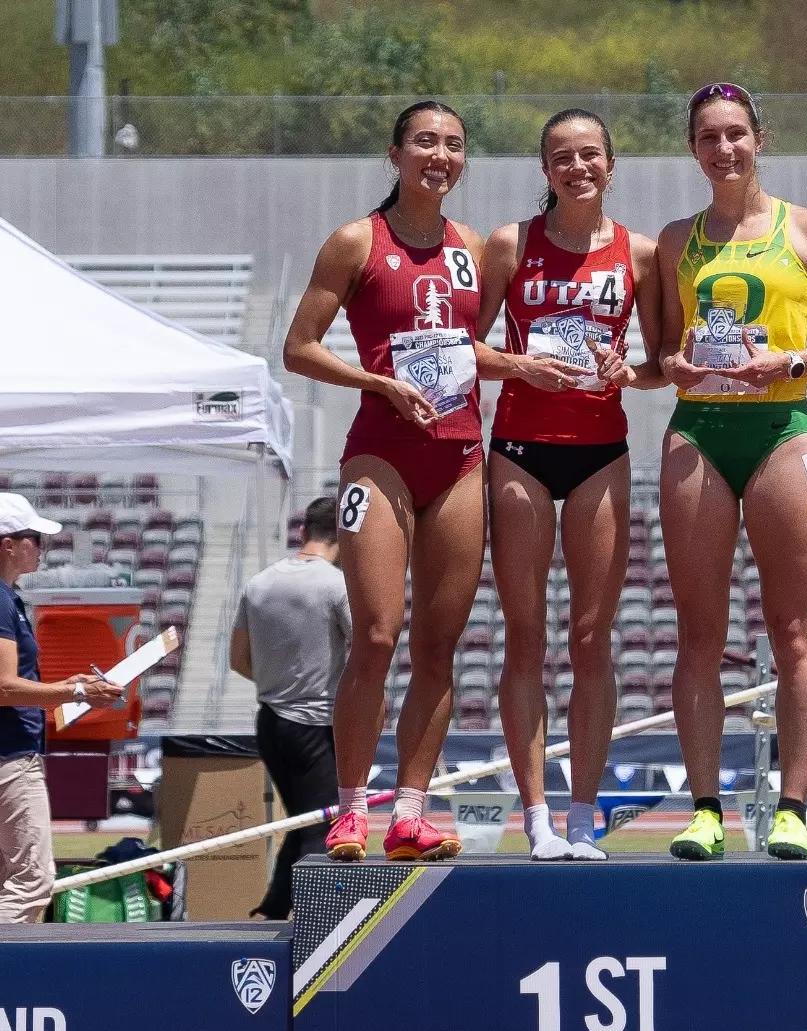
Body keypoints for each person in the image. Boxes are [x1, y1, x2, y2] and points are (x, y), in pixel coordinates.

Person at [282, 101, 509, 863]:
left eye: (452, 146)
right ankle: (351, 810)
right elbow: (300, 348)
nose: (438, 156)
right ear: (396, 153)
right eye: (424, 143)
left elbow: (475, 349)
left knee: (440, 645)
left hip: (460, 455)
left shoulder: (474, 247)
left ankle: (410, 811)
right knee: (377, 634)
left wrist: (530, 363)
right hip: (379, 451)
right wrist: (375, 382)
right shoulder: (356, 241)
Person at [656, 82, 807, 861]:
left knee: (792, 631)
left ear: (760, 138)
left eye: (736, 134)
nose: (724, 149)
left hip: (782, 426)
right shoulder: (675, 239)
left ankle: (791, 808)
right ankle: (706, 809)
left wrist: (794, 357)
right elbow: (658, 356)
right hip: (699, 432)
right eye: (709, 137)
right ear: (693, 148)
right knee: (698, 635)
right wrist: (669, 363)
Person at [475, 108, 664, 861]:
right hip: (520, 447)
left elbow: (663, 362)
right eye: (563, 157)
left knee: (591, 638)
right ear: (545, 168)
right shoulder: (509, 243)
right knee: (526, 637)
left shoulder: (638, 252)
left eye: (590, 155)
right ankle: (538, 816)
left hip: (600, 451)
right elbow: (465, 346)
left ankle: (585, 814)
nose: (578, 167)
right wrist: (518, 363)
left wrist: (631, 372)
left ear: (611, 165)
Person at [0, 493, 120, 923]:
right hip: (5, 756)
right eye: (35, 538)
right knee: (33, 881)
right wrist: (76, 691)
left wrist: (72, 688)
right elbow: (5, 688)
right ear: (9, 544)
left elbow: (4, 687)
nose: (41, 547)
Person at [230, 497, 350, 915]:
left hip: (270, 722)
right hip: (316, 721)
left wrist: (278, 685)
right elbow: (368, 648)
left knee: (302, 818)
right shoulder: (336, 585)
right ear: (345, 536)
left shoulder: (259, 583)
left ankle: (271, 908)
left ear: (303, 533)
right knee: (322, 822)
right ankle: (319, 921)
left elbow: (237, 660)